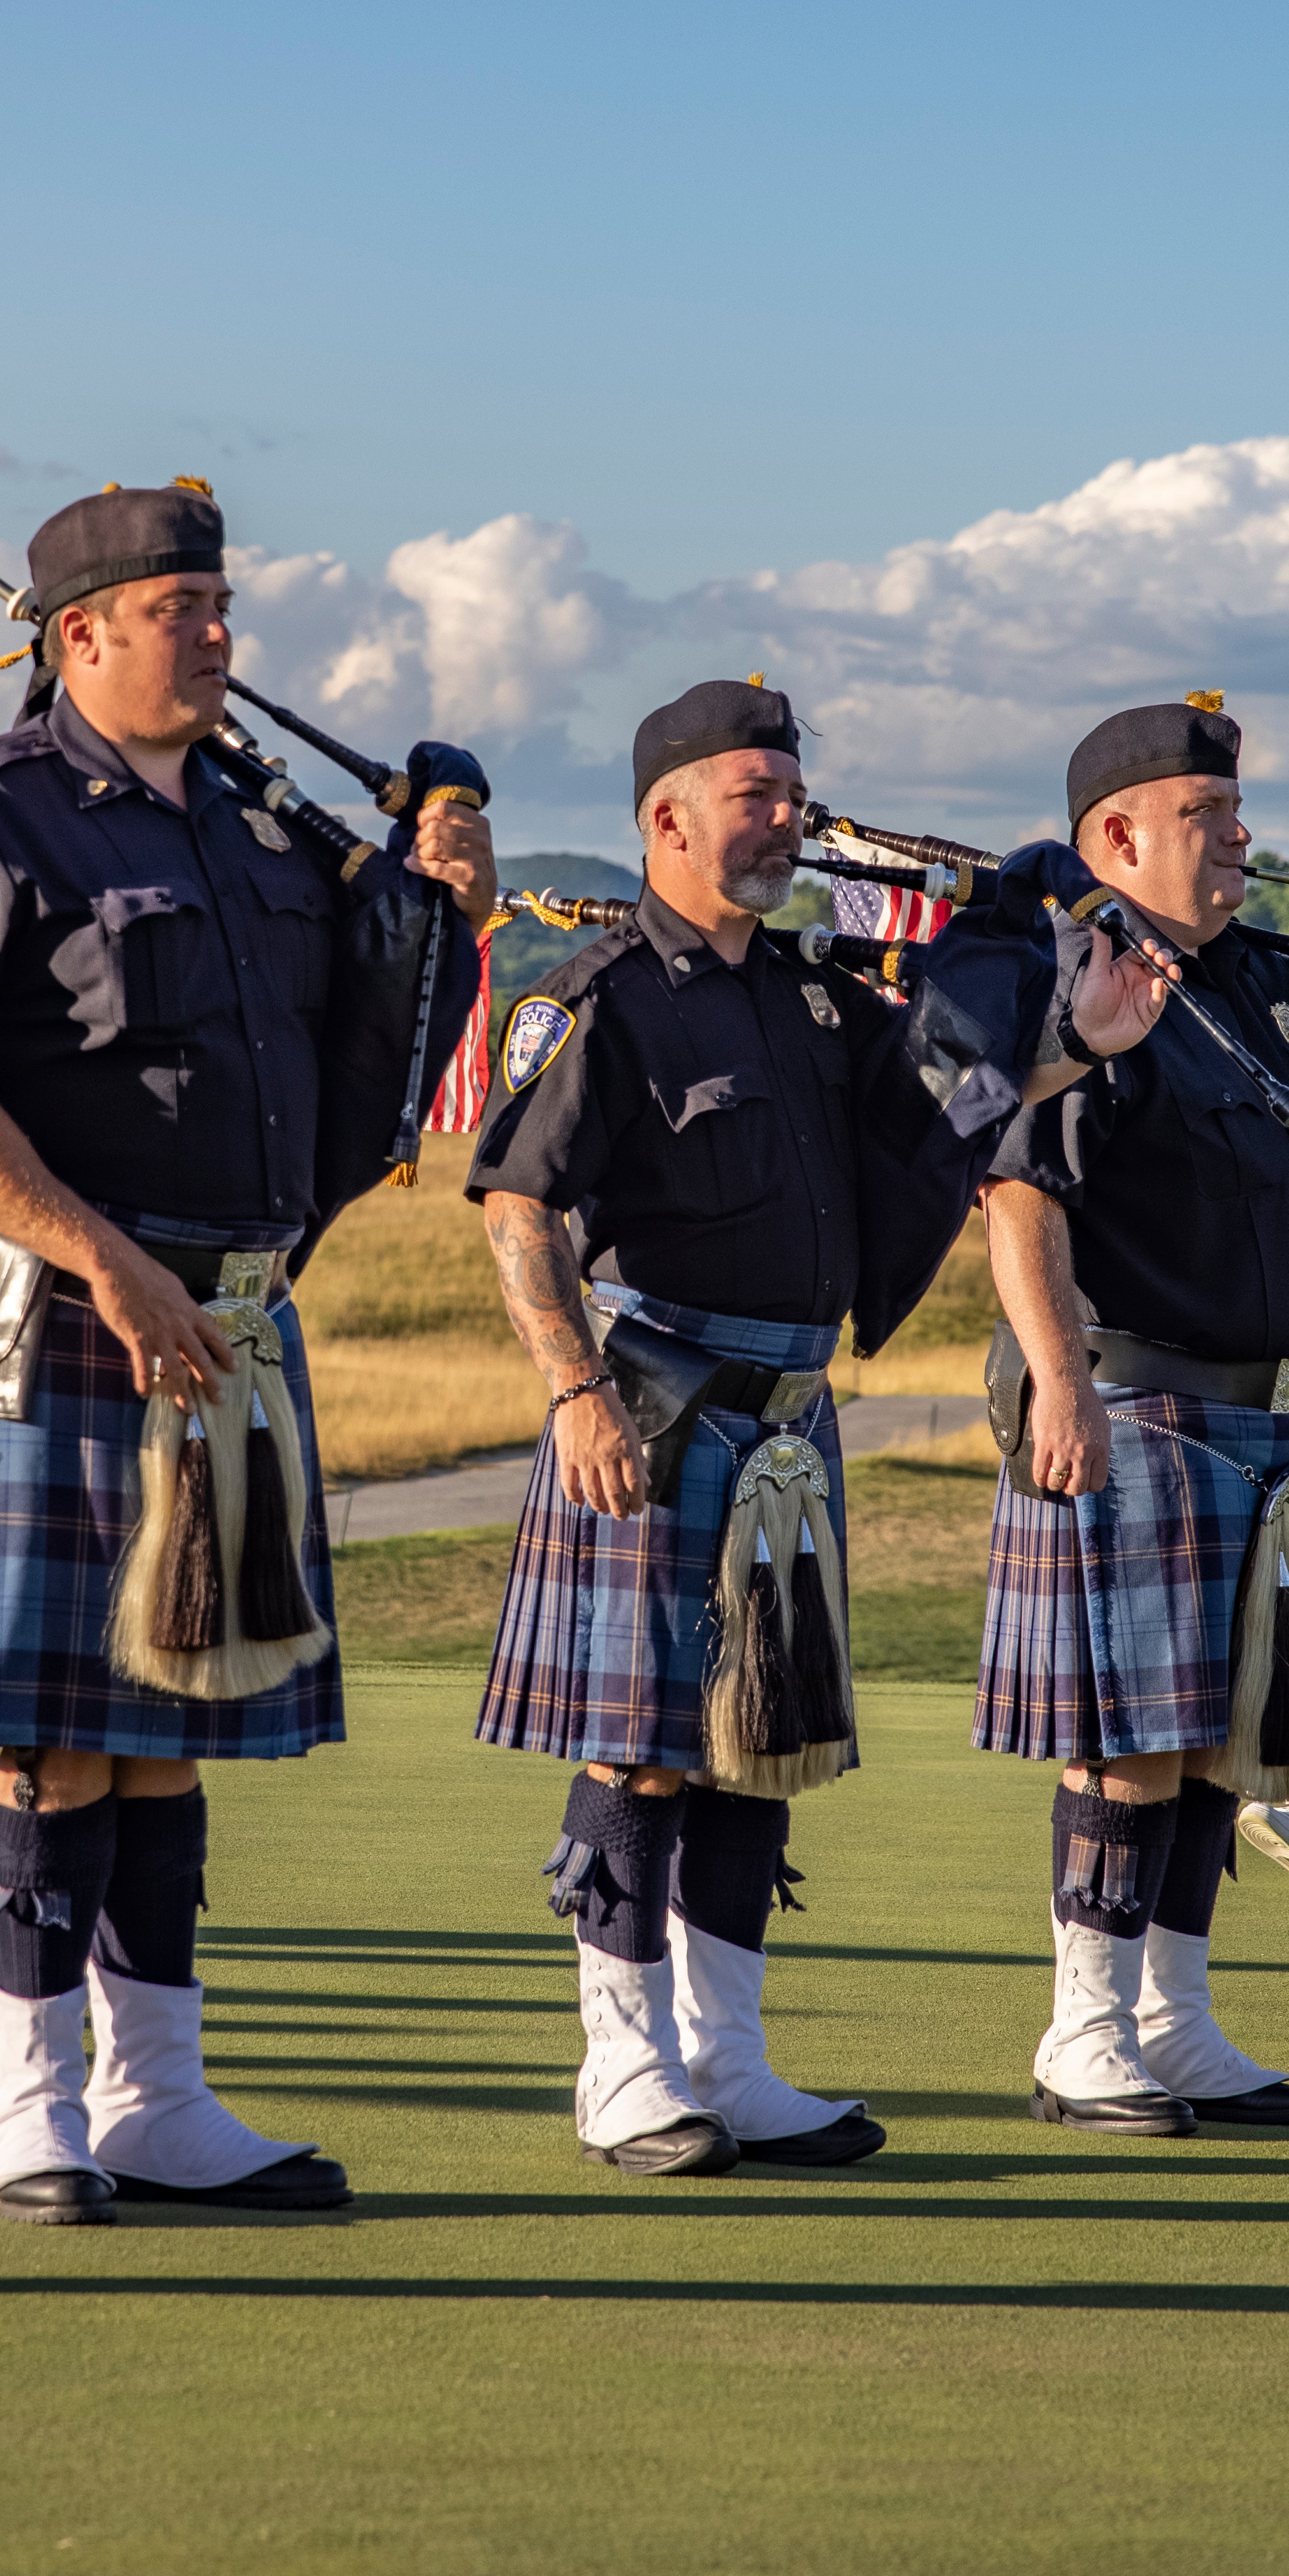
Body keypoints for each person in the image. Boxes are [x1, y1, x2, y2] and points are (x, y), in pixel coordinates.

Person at [0, 481, 495, 2225]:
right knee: (61, 1736)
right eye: (179, 609)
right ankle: (26, 2105)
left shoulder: (267, 836)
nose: (216, 636)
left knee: (170, 1730)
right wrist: (105, 1259)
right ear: (79, 637)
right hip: (61, 1321)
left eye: (220, 607)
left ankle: (158, 2099)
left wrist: (439, 912)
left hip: (229, 1321)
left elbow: (367, 1086)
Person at [465, 680, 1153, 2174]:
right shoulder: (596, 997)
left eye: (791, 789)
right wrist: (573, 1387)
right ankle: (622, 2065)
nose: (785, 816)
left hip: (785, 1419)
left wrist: (1075, 1051)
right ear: (667, 817)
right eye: (755, 792)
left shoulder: (816, 996)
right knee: (641, 1752)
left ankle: (730, 2059)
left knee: (751, 1749)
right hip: (652, 1399)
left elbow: (931, 1128)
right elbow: (519, 1203)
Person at [975, 697, 1289, 2136]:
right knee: (1130, 1737)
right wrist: (1053, 1380)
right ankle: (1084, 2032)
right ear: (1116, 835)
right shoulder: (1079, 982)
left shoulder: (1257, 985)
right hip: (1135, 1399)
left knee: (1224, 1734)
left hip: (1264, 1416)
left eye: (1236, 816)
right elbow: (1018, 1193)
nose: (1239, 840)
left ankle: (1175, 2018)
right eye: (1208, 819)